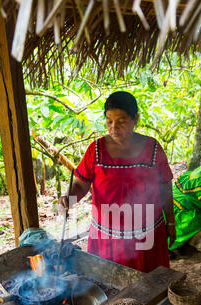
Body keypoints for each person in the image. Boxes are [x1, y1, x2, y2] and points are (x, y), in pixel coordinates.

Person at [58, 91, 175, 273]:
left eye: (121, 121)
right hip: (107, 237)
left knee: (148, 285)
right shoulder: (96, 150)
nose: (114, 127)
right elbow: (81, 184)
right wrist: (68, 198)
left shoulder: (153, 149)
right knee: (108, 285)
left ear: (135, 119)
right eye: (109, 121)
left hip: (146, 235)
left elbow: (165, 186)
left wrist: (171, 222)